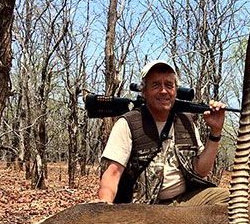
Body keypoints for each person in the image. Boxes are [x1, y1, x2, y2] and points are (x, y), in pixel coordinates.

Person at [97, 60, 230, 206]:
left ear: (175, 91)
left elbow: (201, 171)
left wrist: (215, 132)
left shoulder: (186, 121)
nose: (163, 91)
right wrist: (105, 202)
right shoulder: (128, 123)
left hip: (184, 200)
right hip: (144, 207)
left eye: (169, 85)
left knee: (231, 199)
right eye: (156, 85)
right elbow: (112, 173)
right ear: (144, 92)